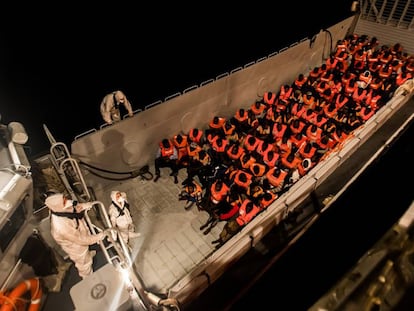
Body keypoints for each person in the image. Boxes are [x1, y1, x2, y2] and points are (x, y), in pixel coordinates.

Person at [44, 193, 105, 279]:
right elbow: (81, 240)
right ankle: (88, 278)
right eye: (64, 201)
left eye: (64, 199)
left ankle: (88, 255)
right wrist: (98, 237)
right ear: (58, 206)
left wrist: (86, 205)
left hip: (78, 229)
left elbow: (75, 207)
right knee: (83, 263)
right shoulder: (61, 227)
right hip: (75, 246)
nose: (67, 201)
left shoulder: (60, 209)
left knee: (86, 252)